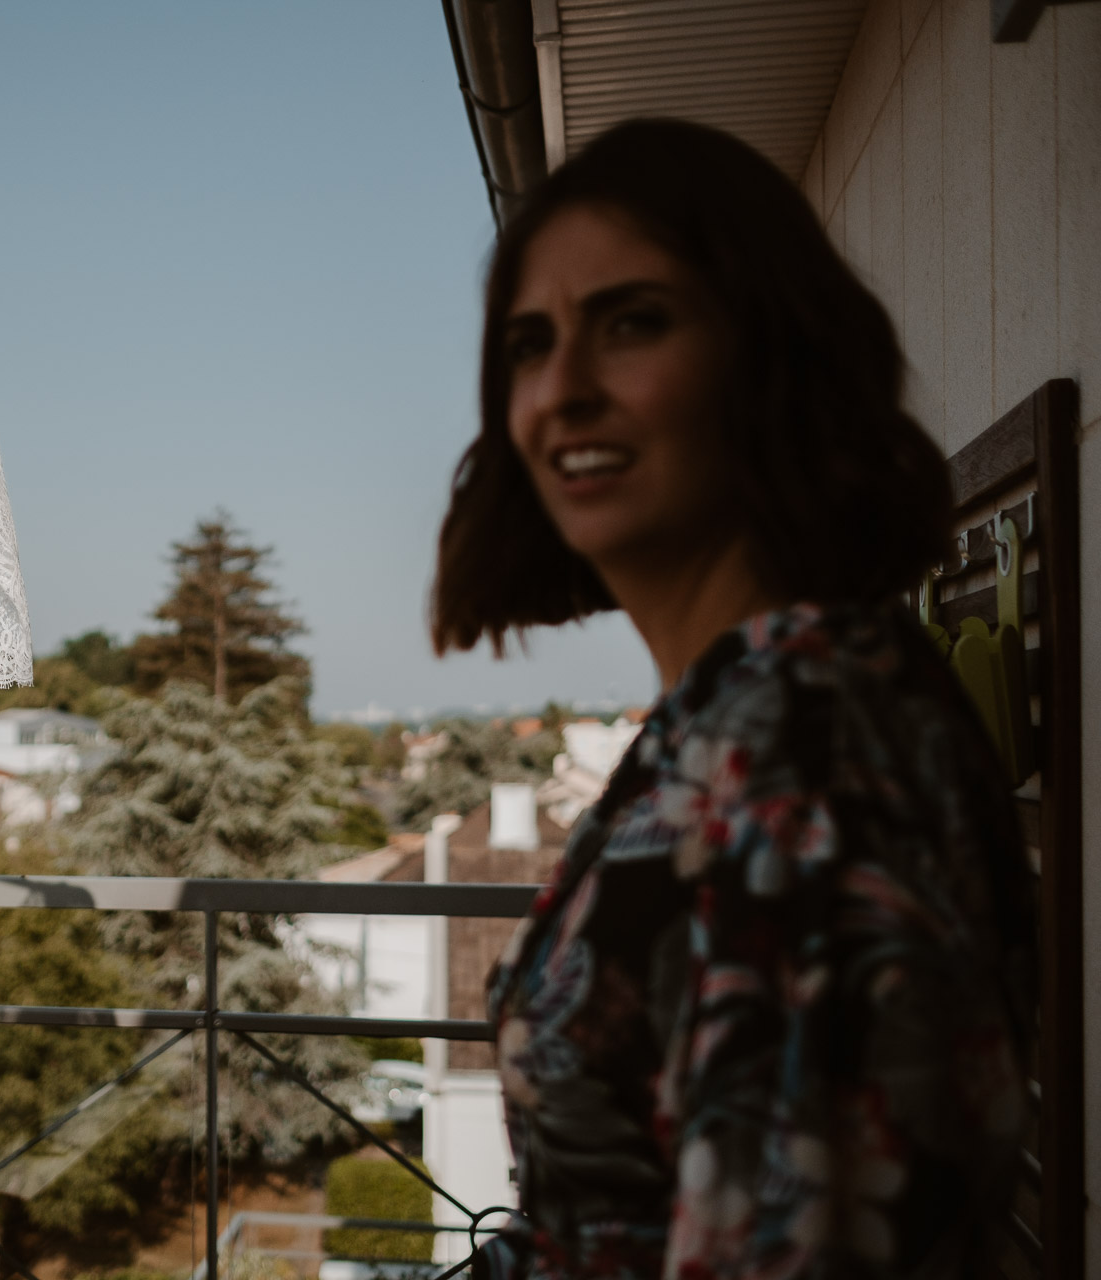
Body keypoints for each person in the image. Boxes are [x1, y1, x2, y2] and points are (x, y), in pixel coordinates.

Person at [430, 118, 1035, 1279]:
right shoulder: (737, 705)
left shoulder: (811, 738)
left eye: (630, 322)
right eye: (526, 343)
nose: (560, 389)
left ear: (769, 352)